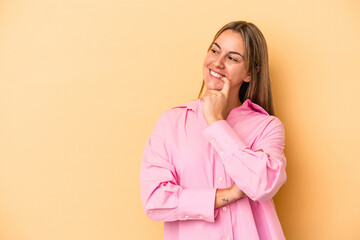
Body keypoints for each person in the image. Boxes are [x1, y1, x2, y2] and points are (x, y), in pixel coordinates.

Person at [140, 21, 287, 240]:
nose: (217, 63)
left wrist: (216, 122)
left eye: (232, 58)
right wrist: (227, 195)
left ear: (250, 73)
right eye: (215, 50)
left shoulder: (267, 127)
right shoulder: (171, 122)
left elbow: (262, 185)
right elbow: (155, 200)